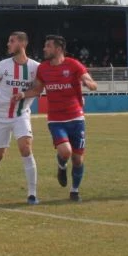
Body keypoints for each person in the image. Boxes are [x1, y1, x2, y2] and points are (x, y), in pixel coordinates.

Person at [18, 35, 98, 202]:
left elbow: (87, 78)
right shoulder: (43, 68)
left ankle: (74, 190)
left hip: (76, 118)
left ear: (58, 49)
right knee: (66, 151)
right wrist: (23, 94)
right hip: (56, 120)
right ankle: (61, 165)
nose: (44, 49)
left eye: (48, 46)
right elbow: (38, 90)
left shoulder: (73, 64)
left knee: (77, 159)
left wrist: (90, 84)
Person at [0, 32, 40, 204]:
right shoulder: (3, 65)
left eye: (11, 41)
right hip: (0, 116)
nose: (8, 44)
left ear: (22, 43)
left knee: (25, 148)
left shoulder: (36, 67)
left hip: (21, 114)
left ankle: (32, 194)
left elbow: (38, 89)